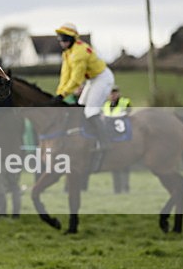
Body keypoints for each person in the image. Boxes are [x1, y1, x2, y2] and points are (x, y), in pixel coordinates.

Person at [52, 22, 115, 155]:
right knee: (79, 108)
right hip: (93, 80)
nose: (61, 42)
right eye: (60, 38)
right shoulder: (68, 53)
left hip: (102, 78)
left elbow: (76, 79)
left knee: (91, 111)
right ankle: (88, 137)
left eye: (64, 38)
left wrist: (63, 95)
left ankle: (105, 142)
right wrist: (58, 93)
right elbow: (65, 76)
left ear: (72, 39)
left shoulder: (79, 52)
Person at [103, 86, 132, 193]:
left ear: (118, 93)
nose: (113, 95)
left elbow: (128, 113)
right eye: (111, 93)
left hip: (122, 136)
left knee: (125, 164)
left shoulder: (125, 102)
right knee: (115, 165)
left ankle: (125, 187)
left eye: (115, 93)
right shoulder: (106, 105)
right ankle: (117, 189)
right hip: (111, 136)